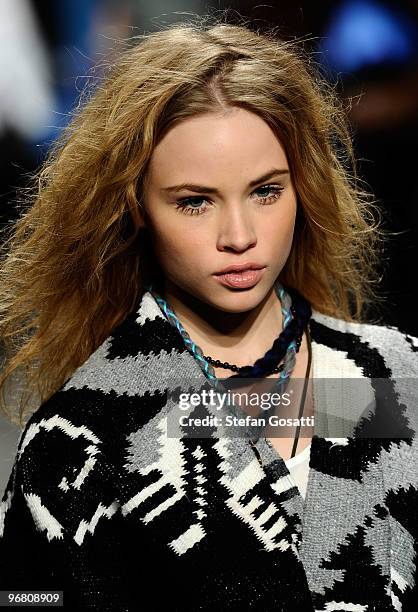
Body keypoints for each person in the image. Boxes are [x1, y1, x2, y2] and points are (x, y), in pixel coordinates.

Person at [0, 16, 417, 611]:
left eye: (267, 191)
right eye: (195, 202)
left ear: (305, 187)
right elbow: (26, 597)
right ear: (135, 206)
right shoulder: (81, 440)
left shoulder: (397, 376)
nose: (240, 236)